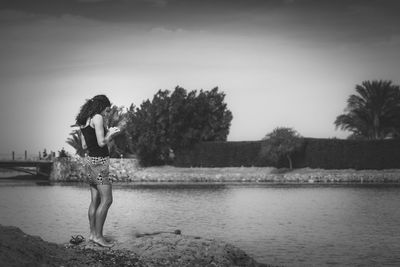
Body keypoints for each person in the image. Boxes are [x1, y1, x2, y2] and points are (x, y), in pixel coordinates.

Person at [75, 94, 120, 247]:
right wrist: (111, 133)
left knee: (95, 200)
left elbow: (85, 146)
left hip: (90, 162)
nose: (107, 114)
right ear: (101, 107)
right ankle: (99, 237)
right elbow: (101, 142)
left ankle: (92, 234)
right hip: (100, 163)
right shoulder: (98, 118)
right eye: (107, 110)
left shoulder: (83, 121)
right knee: (107, 200)